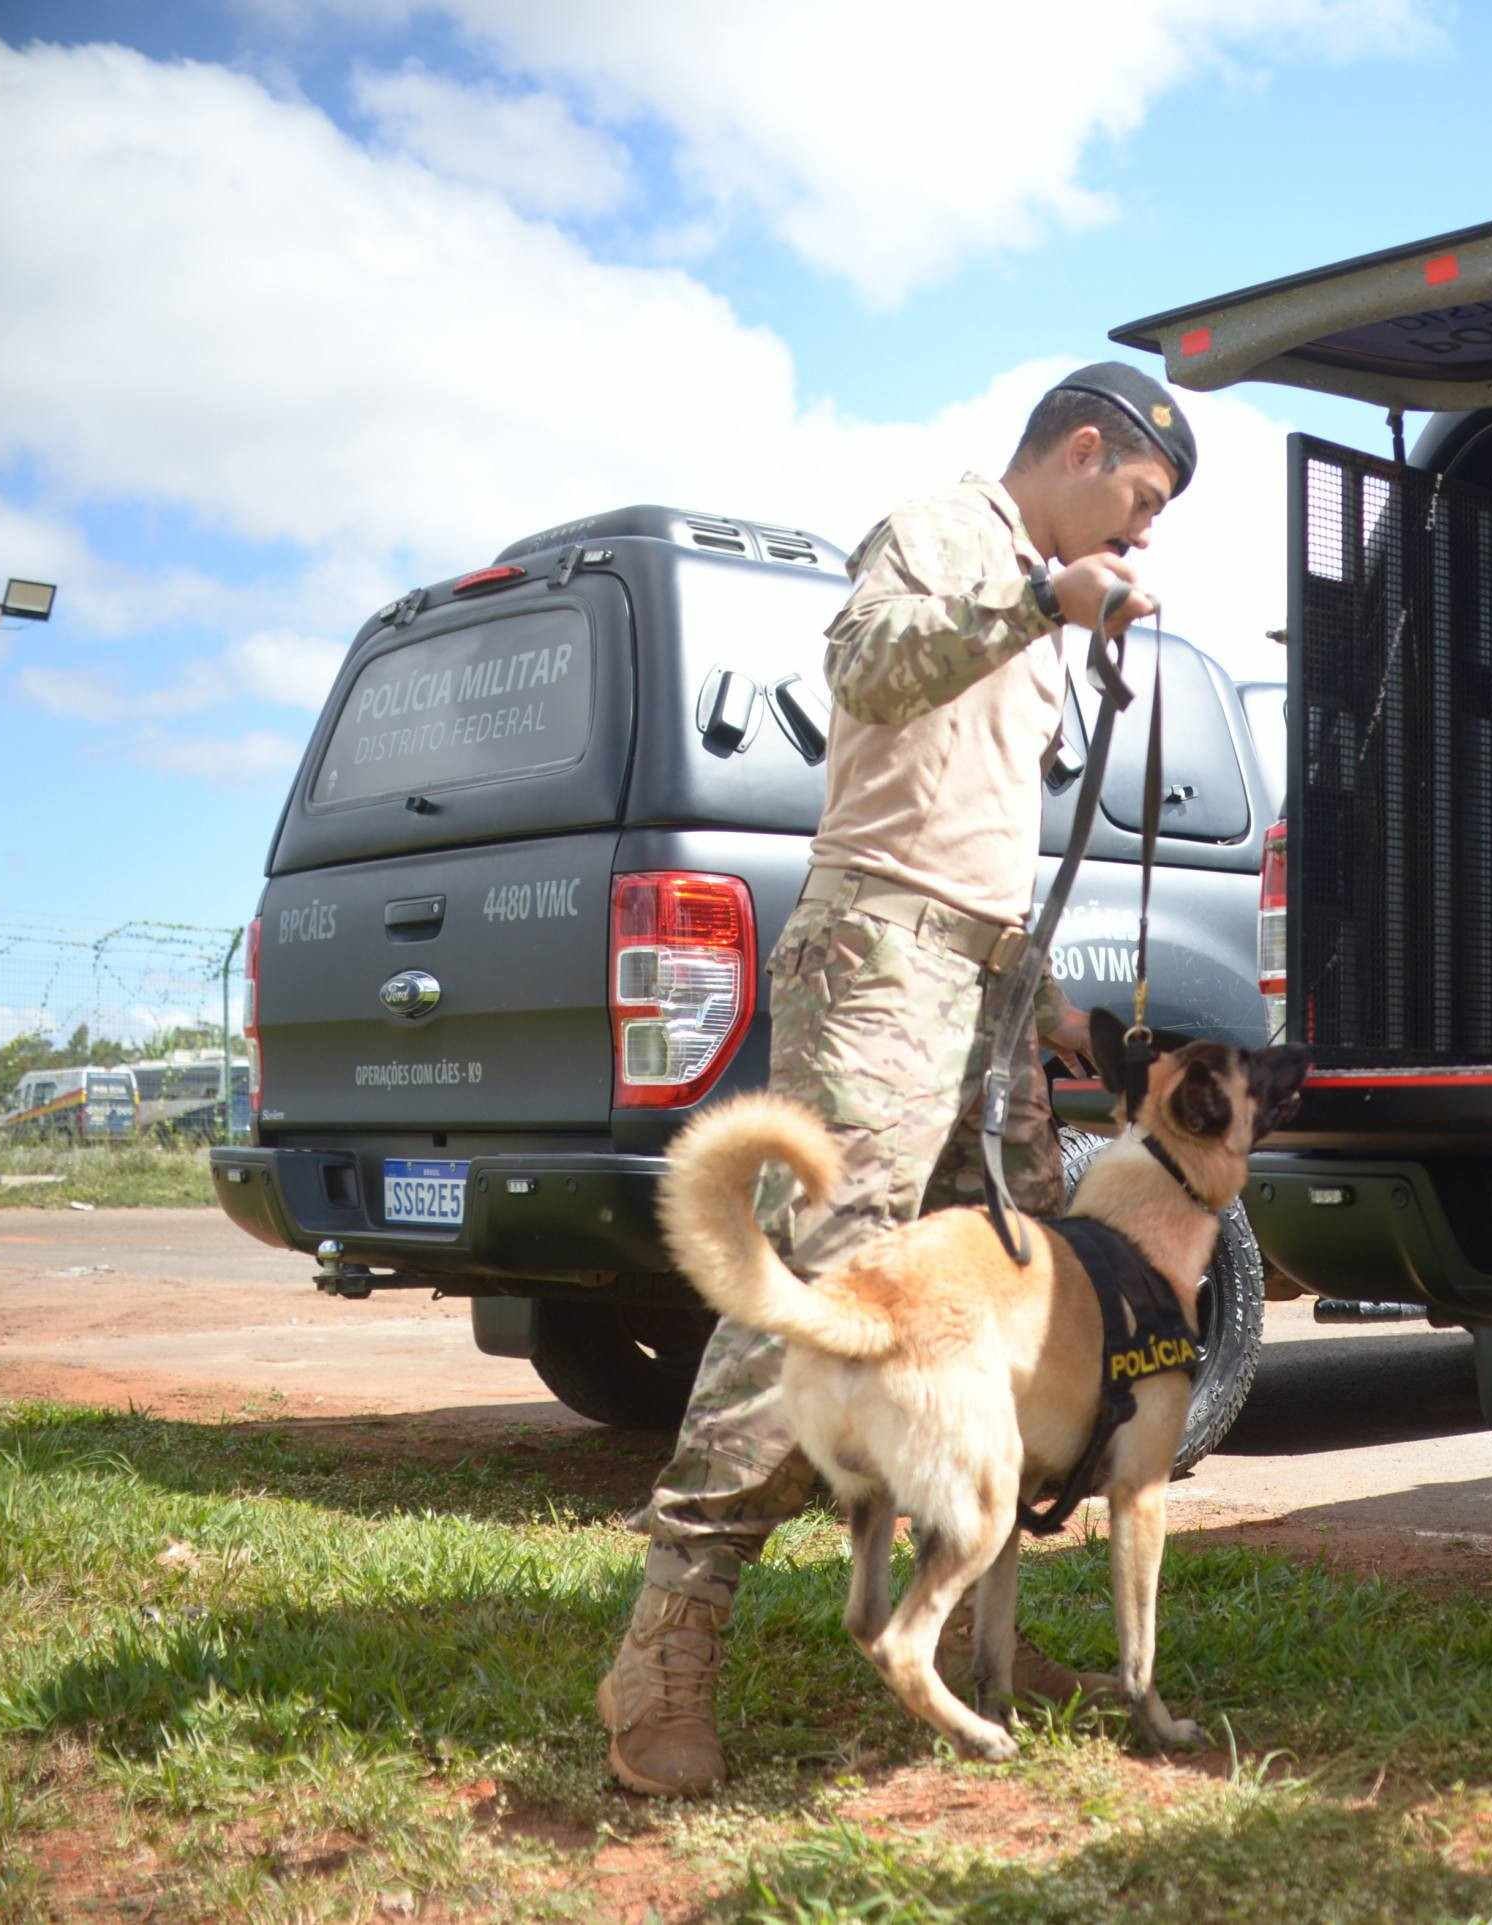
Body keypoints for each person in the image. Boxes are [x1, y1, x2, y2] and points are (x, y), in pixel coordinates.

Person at [597, 363, 1199, 1798]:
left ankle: (985, 1629)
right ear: (1080, 448)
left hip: (976, 976)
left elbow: (971, 814)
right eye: (1144, 498)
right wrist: (1041, 606)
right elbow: (864, 668)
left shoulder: (1036, 594)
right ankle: (665, 1643)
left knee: (1034, 1294)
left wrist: (1036, 999)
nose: (1145, 532)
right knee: (827, 1287)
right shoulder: (947, 534)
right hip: (878, 959)